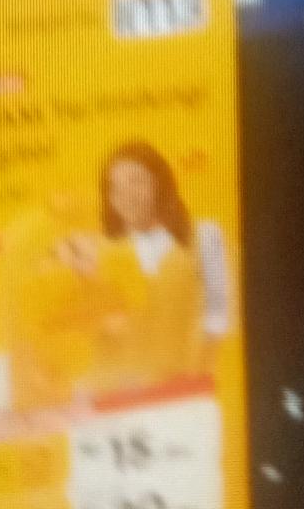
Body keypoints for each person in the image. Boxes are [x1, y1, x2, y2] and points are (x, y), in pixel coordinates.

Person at [84, 141, 232, 397]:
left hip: (190, 390)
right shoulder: (101, 251)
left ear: (160, 184)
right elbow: (99, 338)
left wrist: (194, 379)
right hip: (125, 397)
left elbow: (217, 318)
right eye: (116, 188)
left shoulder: (205, 235)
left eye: (137, 181)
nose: (127, 196)